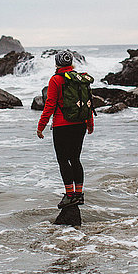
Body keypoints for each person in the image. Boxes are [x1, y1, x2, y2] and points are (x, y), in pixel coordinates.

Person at [37, 51, 94, 209]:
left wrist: (41, 126)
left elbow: (50, 105)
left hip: (62, 126)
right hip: (80, 124)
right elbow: (88, 102)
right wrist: (90, 123)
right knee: (75, 159)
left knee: (63, 160)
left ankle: (69, 196)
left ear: (57, 63)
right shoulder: (81, 79)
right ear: (71, 63)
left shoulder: (56, 80)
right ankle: (79, 194)